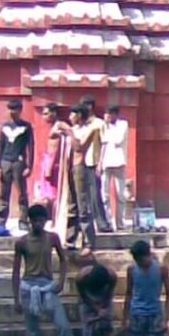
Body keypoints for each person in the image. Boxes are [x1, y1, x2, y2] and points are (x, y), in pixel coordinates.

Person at [11, 204, 84, 336]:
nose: (38, 224)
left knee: (63, 327)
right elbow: (15, 271)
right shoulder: (21, 242)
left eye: (41, 220)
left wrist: (61, 280)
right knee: (33, 333)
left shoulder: (52, 238)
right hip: (29, 287)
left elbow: (63, 258)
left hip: (47, 286)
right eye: (35, 221)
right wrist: (16, 298)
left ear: (45, 221)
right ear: (30, 222)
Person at [0, 99, 34, 234]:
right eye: (10, 109)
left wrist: (30, 166)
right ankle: (0, 222)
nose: (12, 112)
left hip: (19, 162)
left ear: (20, 110)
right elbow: (0, 146)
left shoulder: (26, 127)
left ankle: (23, 221)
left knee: (22, 194)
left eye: (15, 109)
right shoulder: (5, 127)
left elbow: (31, 147)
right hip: (5, 161)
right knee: (3, 193)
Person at [67, 104, 97, 254]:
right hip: (68, 167)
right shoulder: (72, 130)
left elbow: (80, 147)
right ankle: (70, 238)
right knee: (71, 205)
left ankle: (89, 242)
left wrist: (69, 133)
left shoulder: (89, 130)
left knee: (83, 205)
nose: (70, 117)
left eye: (72, 114)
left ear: (79, 115)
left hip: (80, 168)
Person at [80, 96, 112, 232]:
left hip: (93, 162)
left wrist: (100, 163)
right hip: (80, 163)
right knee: (82, 195)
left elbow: (104, 143)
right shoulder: (82, 124)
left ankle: (101, 223)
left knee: (95, 195)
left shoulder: (99, 123)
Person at [100, 105, 129, 231]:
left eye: (110, 114)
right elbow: (103, 145)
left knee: (120, 194)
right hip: (106, 163)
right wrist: (100, 163)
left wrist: (107, 129)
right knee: (104, 195)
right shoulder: (103, 126)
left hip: (118, 162)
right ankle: (108, 221)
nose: (108, 117)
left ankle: (120, 222)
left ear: (115, 115)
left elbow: (118, 140)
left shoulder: (123, 125)